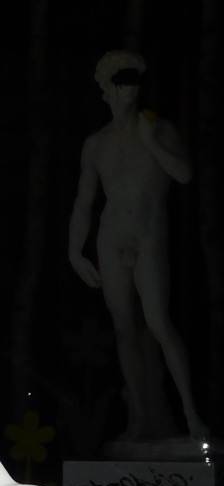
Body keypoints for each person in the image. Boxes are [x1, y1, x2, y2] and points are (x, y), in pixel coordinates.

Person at [67, 50, 208, 442]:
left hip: (148, 234)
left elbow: (184, 174)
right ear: (107, 88)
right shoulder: (97, 144)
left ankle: (191, 415)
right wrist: (74, 252)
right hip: (112, 237)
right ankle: (140, 419)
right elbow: (83, 203)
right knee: (124, 327)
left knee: (158, 321)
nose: (130, 88)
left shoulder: (158, 129)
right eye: (121, 81)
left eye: (134, 80)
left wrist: (151, 142)